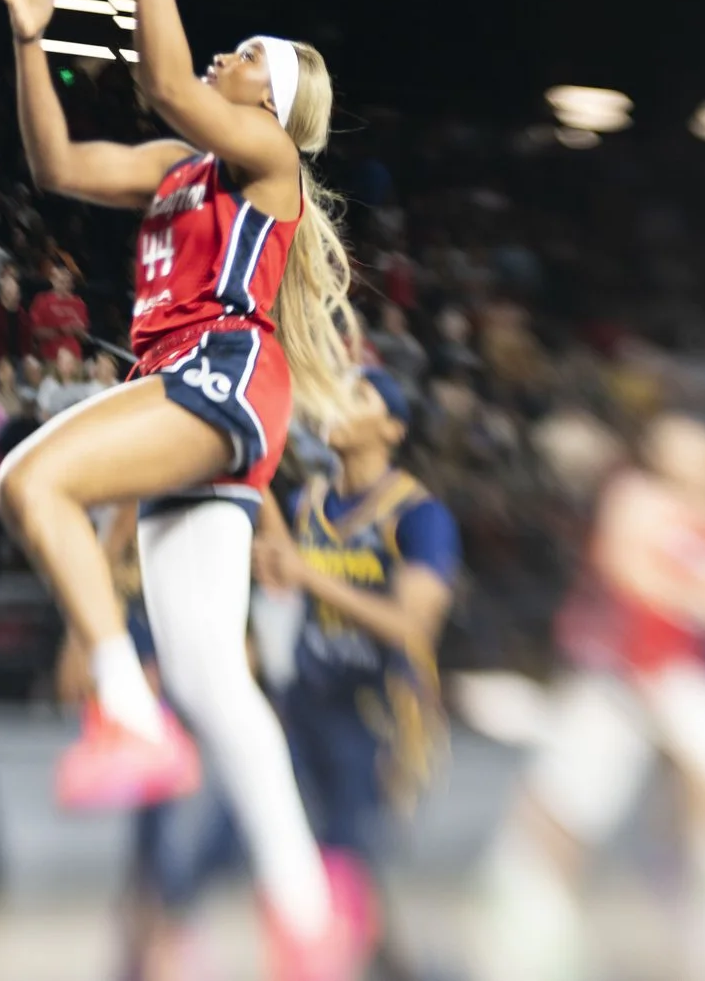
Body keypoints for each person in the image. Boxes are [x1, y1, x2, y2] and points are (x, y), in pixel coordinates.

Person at [0, 0, 377, 981]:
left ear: (274, 100)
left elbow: (165, 80)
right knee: (213, 677)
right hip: (195, 393)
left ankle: (122, 709)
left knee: (30, 479)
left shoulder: (265, 161)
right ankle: (307, 911)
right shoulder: (176, 166)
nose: (232, 53)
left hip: (217, 374)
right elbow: (55, 162)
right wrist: (27, 42)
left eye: (250, 56)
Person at [485, 413, 705, 981]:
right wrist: (703, 593)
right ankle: (524, 946)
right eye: (697, 453)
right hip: (621, 675)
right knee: (565, 812)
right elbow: (632, 575)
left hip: (677, 677)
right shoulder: (640, 499)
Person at [253, 369, 460, 980]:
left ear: (392, 429)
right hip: (306, 698)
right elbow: (284, 585)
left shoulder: (420, 516)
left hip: (378, 708)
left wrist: (306, 574)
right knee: (296, 848)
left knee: (344, 849)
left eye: (362, 395)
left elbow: (410, 627)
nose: (342, 400)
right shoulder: (305, 503)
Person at [26, 263, 91, 363]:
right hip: (51, 357)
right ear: (52, 280)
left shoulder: (79, 303)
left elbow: (85, 336)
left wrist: (78, 332)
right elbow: (34, 331)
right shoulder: (42, 300)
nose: (64, 284)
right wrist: (60, 330)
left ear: (71, 283)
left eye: (66, 281)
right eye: (60, 280)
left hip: (75, 359)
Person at [34, 344, 102, 422]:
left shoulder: (83, 382)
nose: (65, 365)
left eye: (69, 362)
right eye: (62, 361)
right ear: (56, 363)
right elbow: (43, 413)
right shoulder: (49, 384)